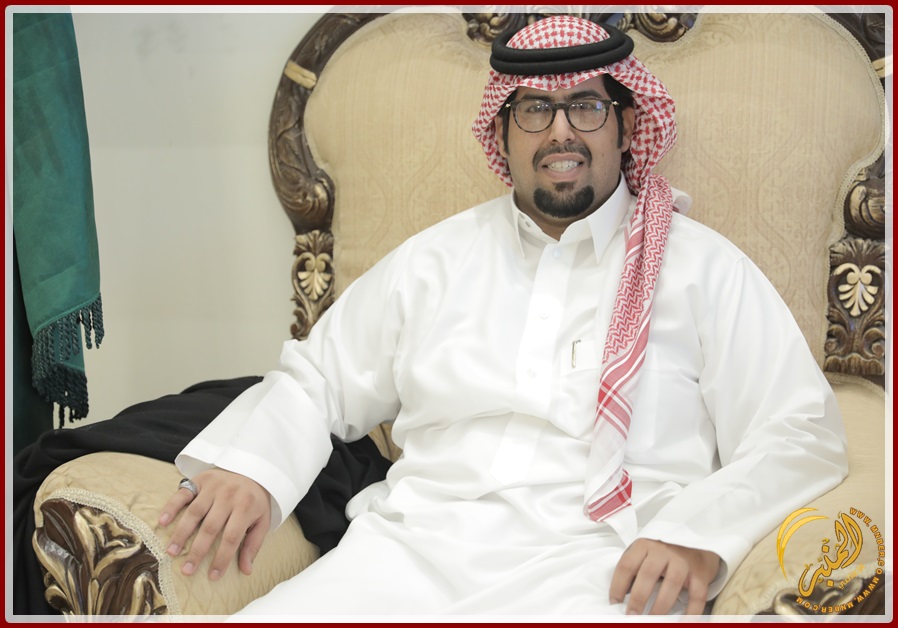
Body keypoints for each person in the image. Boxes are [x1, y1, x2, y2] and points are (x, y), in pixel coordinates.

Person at [158, 15, 848, 617]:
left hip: (604, 566)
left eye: (586, 106)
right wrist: (254, 470)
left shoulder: (701, 268)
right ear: (502, 130)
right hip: (406, 555)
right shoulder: (433, 261)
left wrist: (698, 535)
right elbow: (317, 381)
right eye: (534, 110)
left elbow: (798, 430)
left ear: (627, 125)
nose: (560, 133)